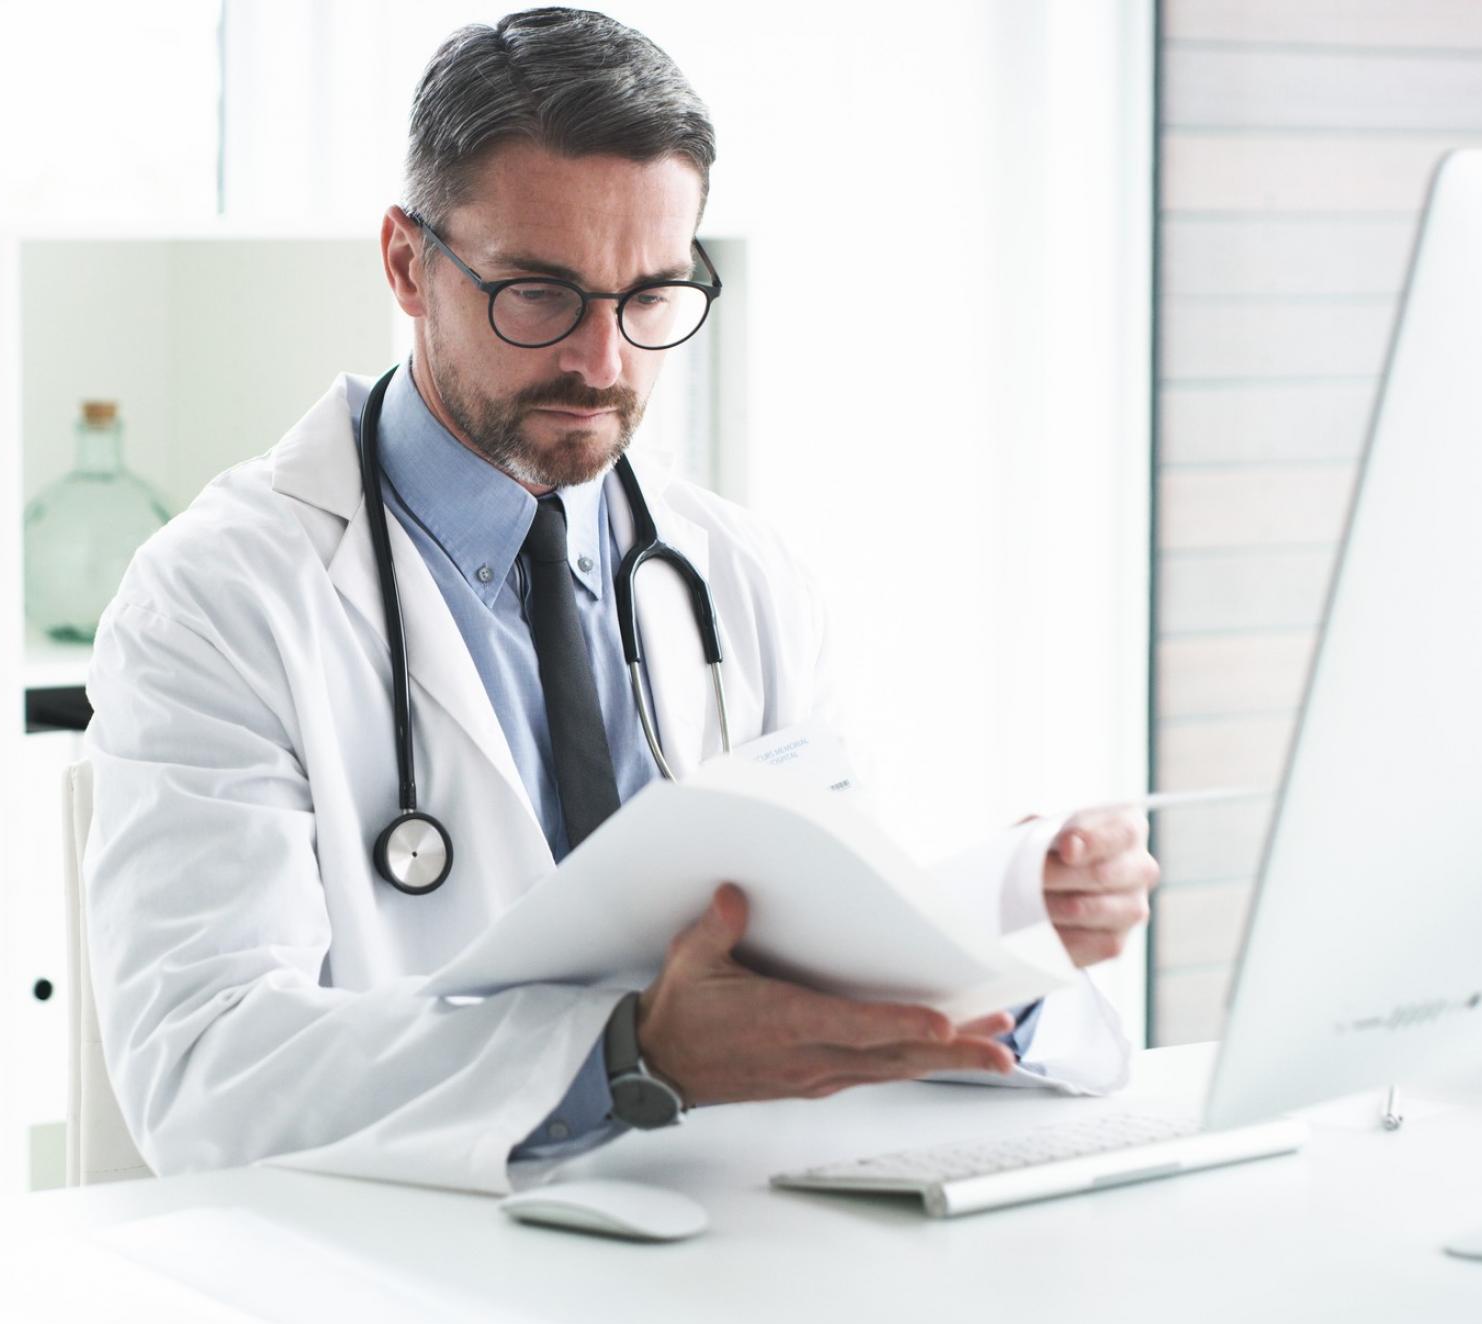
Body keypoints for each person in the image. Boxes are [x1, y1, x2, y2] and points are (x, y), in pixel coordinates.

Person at [84, 6, 1158, 1194]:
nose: (602, 363)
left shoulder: (736, 577)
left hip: (716, 1240)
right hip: (394, 1265)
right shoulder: (221, 598)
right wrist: (625, 1055)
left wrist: (989, 940)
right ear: (404, 261)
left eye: (649, 296)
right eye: (539, 295)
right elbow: (203, 1072)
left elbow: (812, 965)